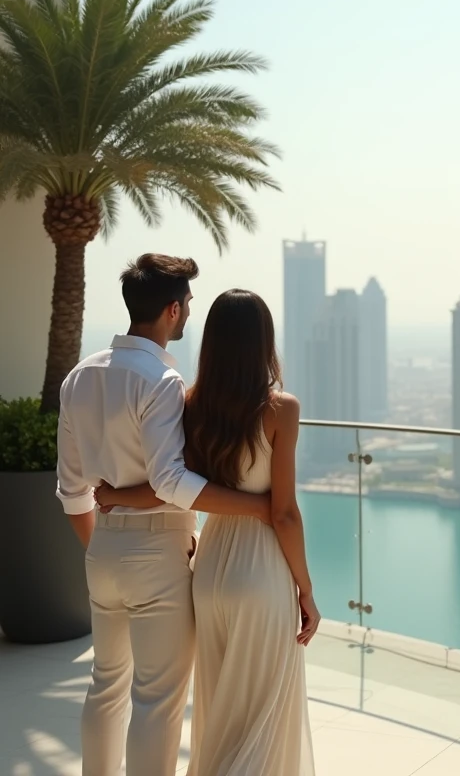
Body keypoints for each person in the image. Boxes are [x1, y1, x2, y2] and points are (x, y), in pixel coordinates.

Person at [56, 255, 273, 776]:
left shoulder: (78, 378)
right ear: (173, 310)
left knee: (105, 686)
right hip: (158, 556)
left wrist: (105, 547)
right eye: (189, 305)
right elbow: (170, 480)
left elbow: (71, 489)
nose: (189, 314)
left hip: (102, 549)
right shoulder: (162, 380)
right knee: (156, 698)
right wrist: (257, 506)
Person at [96, 288, 319, 776]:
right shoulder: (281, 409)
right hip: (260, 576)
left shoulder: (191, 403)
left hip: (210, 571)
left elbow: (170, 486)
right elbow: (283, 514)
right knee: (262, 722)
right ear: (265, 341)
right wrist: (305, 589)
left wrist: (115, 496)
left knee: (220, 715)